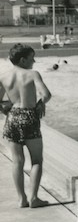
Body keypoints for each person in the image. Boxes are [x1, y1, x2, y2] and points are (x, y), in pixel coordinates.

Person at [0, 44, 52, 208]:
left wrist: (6, 109)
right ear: (23, 60)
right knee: (36, 160)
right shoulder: (32, 74)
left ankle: (21, 199)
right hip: (29, 117)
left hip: (13, 117)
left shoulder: (4, 76)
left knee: (17, 161)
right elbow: (46, 95)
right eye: (32, 58)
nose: (34, 61)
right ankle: (34, 198)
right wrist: (40, 104)